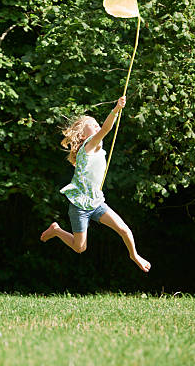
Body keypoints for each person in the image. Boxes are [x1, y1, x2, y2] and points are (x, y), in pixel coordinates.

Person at [40, 96, 151, 272]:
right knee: (80, 247)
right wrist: (115, 110)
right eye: (93, 125)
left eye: (97, 123)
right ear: (83, 135)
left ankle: (134, 255)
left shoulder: (97, 149)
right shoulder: (88, 145)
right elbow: (107, 128)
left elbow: (104, 131)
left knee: (124, 229)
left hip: (96, 202)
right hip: (79, 205)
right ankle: (57, 230)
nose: (98, 126)